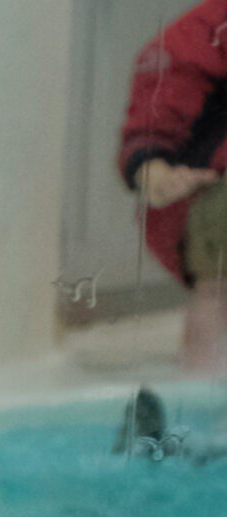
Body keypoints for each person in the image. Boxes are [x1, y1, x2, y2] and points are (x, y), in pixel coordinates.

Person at [122, 1, 227, 372]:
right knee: (219, 286)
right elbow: (161, 104)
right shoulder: (210, 29)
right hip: (200, 191)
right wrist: (152, 167)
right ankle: (201, 381)